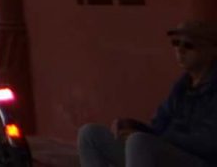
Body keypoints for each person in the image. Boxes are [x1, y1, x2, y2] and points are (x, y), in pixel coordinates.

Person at [83, 22, 217, 166]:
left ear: (211, 51)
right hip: (166, 153)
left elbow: (208, 143)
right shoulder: (182, 86)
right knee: (90, 135)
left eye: (189, 45)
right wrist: (132, 126)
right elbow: (158, 125)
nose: (180, 50)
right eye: (176, 43)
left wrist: (160, 138)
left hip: (198, 161)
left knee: (139, 143)